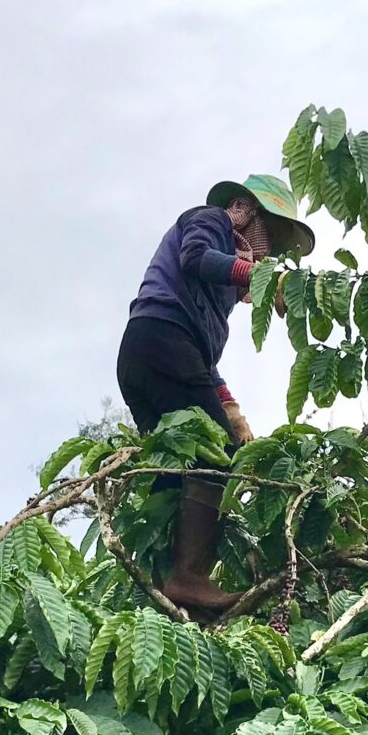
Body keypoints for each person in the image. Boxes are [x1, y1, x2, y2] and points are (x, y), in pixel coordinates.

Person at [116, 174, 315, 611]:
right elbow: (196, 257)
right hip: (161, 339)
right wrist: (263, 276)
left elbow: (200, 365)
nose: (272, 250)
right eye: (274, 234)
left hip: (148, 353)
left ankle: (157, 580)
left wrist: (232, 410)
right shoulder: (210, 222)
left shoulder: (219, 293)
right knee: (215, 455)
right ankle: (189, 577)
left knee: (175, 466)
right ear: (250, 212)